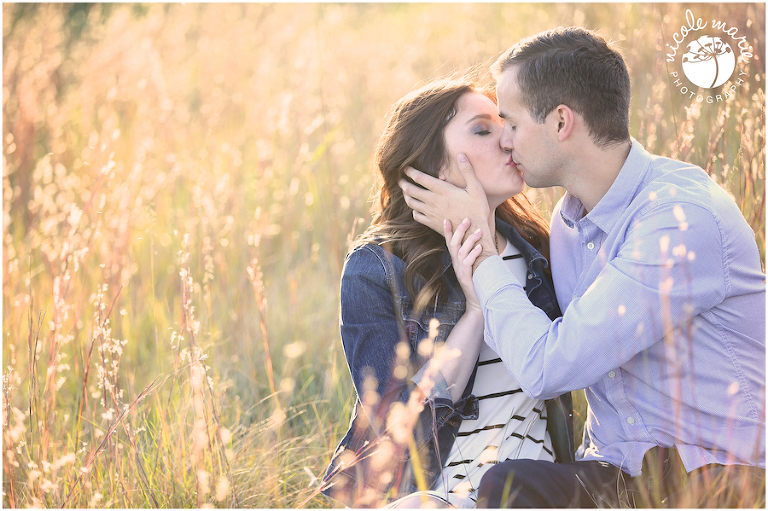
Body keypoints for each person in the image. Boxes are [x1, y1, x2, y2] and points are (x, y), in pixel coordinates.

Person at [400, 27, 765, 507]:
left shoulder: (678, 218)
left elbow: (547, 366)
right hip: (618, 474)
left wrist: (485, 256)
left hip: (718, 476)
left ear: (560, 122)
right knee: (506, 487)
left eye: (509, 122)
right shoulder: (569, 225)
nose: (505, 142)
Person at [319, 78, 575, 508]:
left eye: (505, 124)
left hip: (535, 491)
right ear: (433, 167)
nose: (508, 140)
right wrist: (476, 309)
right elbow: (400, 428)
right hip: (433, 496)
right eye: (482, 130)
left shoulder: (542, 249)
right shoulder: (377, 269)